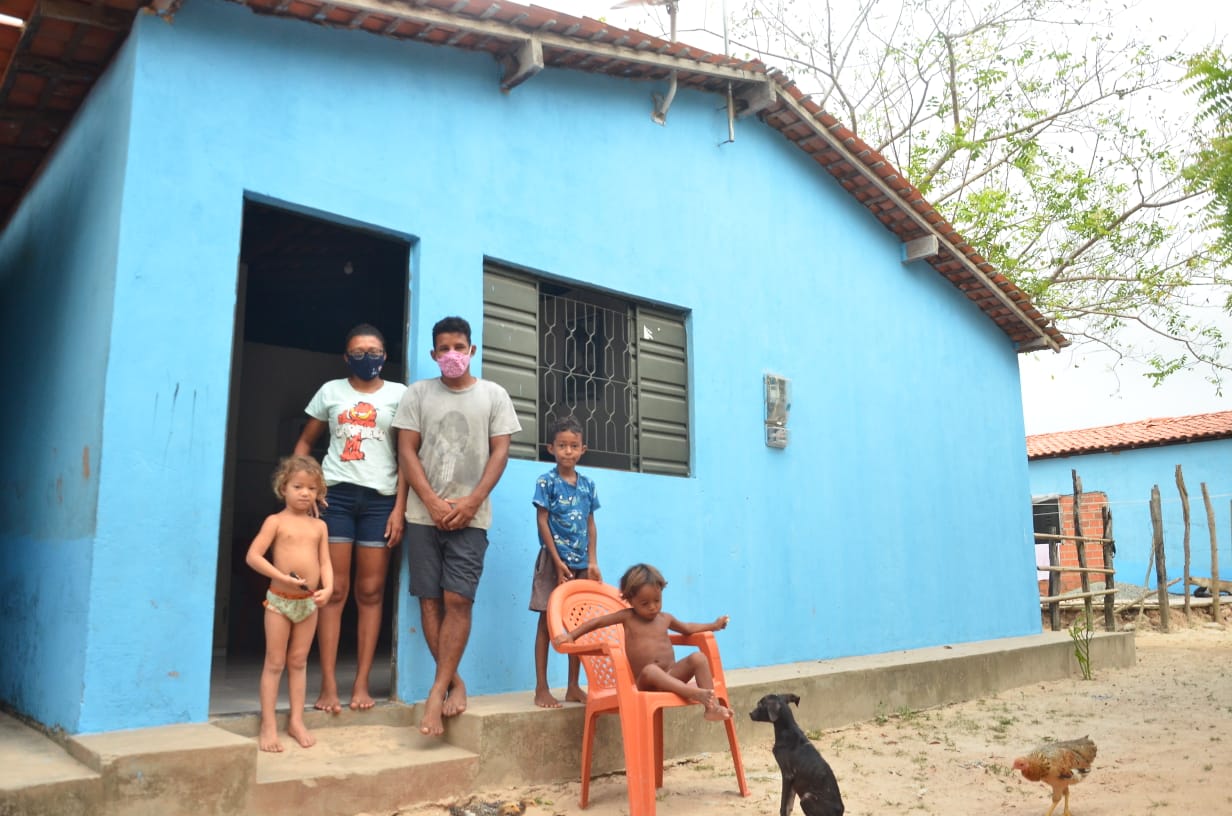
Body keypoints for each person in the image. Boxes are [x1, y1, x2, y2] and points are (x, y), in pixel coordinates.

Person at [393, 315, 521, 736]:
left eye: (459, 347)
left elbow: (500, 453)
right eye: (444, 348)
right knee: (429, 601)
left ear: (472, 350)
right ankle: (451, 683)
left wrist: (471, 502)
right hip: (421, 516)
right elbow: (407, 451)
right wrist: (429, 500)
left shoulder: (494, 395)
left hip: (472, 518)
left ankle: (434, 694)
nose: (452, 355)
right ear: (434, 354)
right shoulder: (418, 394)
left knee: (458, 601)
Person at [293, 323, 407, 714]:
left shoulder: (399, 395)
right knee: (334, 592)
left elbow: (408, 455)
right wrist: (302, 488)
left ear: (384, 356)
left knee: (371, 593)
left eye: (374, 351)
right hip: (335, 499)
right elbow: (307, 442)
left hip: (381, 501)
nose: (366, 357)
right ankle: (327, 684)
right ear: (346, 357)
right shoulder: (331, 391)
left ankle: (360, 683)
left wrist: (400, 508)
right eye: (358, 351)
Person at [553, 563, 733, 721]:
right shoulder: (628, 617)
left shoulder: (665, 618)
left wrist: (713, 625)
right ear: (630, 600)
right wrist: (572, 635)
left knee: (698, 658)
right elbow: (598, 622)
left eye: (657, 601)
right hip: (645, 683)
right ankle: (694, 694)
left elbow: (687, 628)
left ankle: (712, 708)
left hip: (672, 677)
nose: (653, 607)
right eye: (645, 603)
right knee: (651, 670)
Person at [245, 456, 334, 752]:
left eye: (311, 488)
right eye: (297, 486)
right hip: (279, 602)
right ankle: (268, 724)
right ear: (283, 488)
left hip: (308, 604)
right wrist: (281, 576)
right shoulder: (275, 522)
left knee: (299, 662)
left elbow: (325, 562)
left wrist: (329, 588)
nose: (305, 493)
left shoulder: (319, 527)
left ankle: (297, 719)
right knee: (275, 663)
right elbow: (254, 556)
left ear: (319, 493)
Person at [529, 415, 601, 708]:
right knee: (547, 621)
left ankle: (573, 685)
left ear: (583, 449)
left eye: (574, 446)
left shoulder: (587, 485)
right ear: (551, 448)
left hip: (582, 563)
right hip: (552, 561)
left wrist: (593, 561)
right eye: (562, 445)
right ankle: (541, 688)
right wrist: (557, 561)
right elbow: (542, 521)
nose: (568, 451)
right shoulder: (546, 482)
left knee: (578, 624)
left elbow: (591, 523)